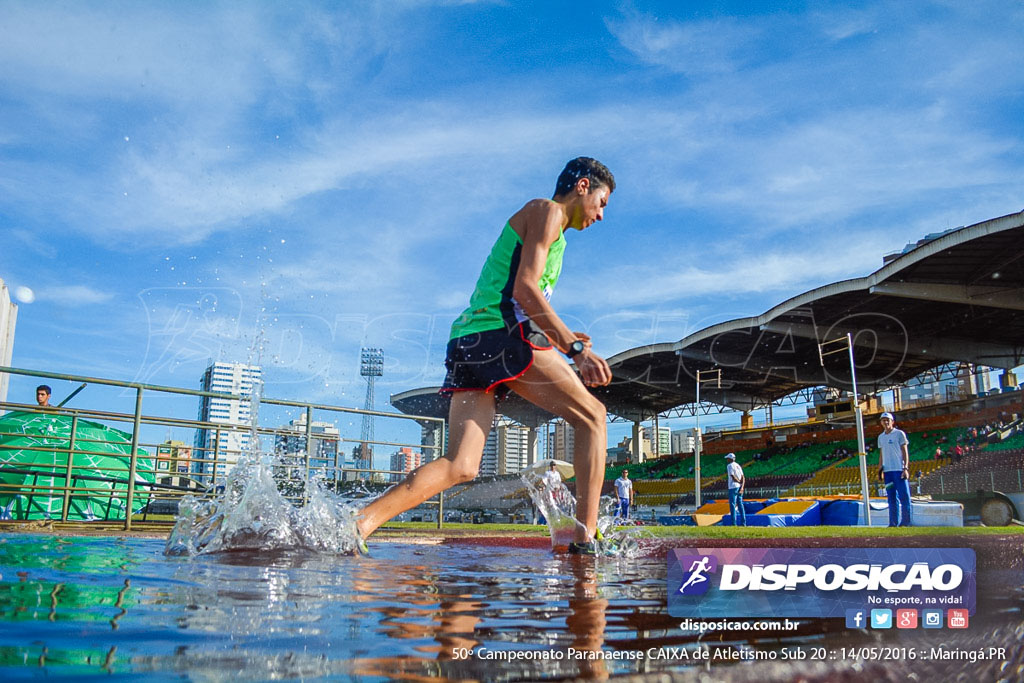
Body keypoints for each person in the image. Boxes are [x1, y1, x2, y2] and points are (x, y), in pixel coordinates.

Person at [356, 157, 615, 555]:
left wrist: (559, 333)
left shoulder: (551, 234)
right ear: (583, 186)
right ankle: (586, 539)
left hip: (469, 341)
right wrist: (573, 349)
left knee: (462, 465)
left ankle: (359, 524)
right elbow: (526, 291)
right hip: (499, 336)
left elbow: (520, 296)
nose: (601, 215)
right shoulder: (547, 212)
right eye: (601, 202)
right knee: (594, 417)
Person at [876, 412, 912, 527]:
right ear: (881, 422)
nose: (886, 422)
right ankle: (893, 523)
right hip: (888, 472)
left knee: (904, 496)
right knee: (891, 498)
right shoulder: (881, 437)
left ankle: (906, 522)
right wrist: (880, 469)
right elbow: (881, 454)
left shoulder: (899, 434)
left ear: (892, 421)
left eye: (888, 420)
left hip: (898, 470)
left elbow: (905, 451)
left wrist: (905, 468)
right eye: (883, 420)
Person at [725, 452, 746, 526]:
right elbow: (743, 477)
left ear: (730, 459)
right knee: (740, 504)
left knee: (733, 505)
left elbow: (733, 476)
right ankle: (743, 523)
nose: (727, 460)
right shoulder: (738, 465)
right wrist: (742, 486)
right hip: (739, 487)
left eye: (727, 458)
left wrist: (738, 481)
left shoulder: (729, 466)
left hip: (733, 487)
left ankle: (734, 523)